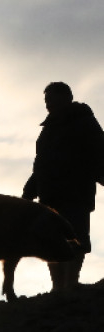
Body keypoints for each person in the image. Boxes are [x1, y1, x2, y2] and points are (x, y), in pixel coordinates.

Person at [23, 81, 104, 290]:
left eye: (52, 99)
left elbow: (98, 153)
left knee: (76, 237)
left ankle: (70, 284)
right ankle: (58, 288)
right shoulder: (48, 129)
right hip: (50, 196)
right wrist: (29, 190)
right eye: (46, 101)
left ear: (66, 98)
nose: (48, 105)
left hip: (76, 192)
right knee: (51, 239)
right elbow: (41, 163)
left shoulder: (84, 122)